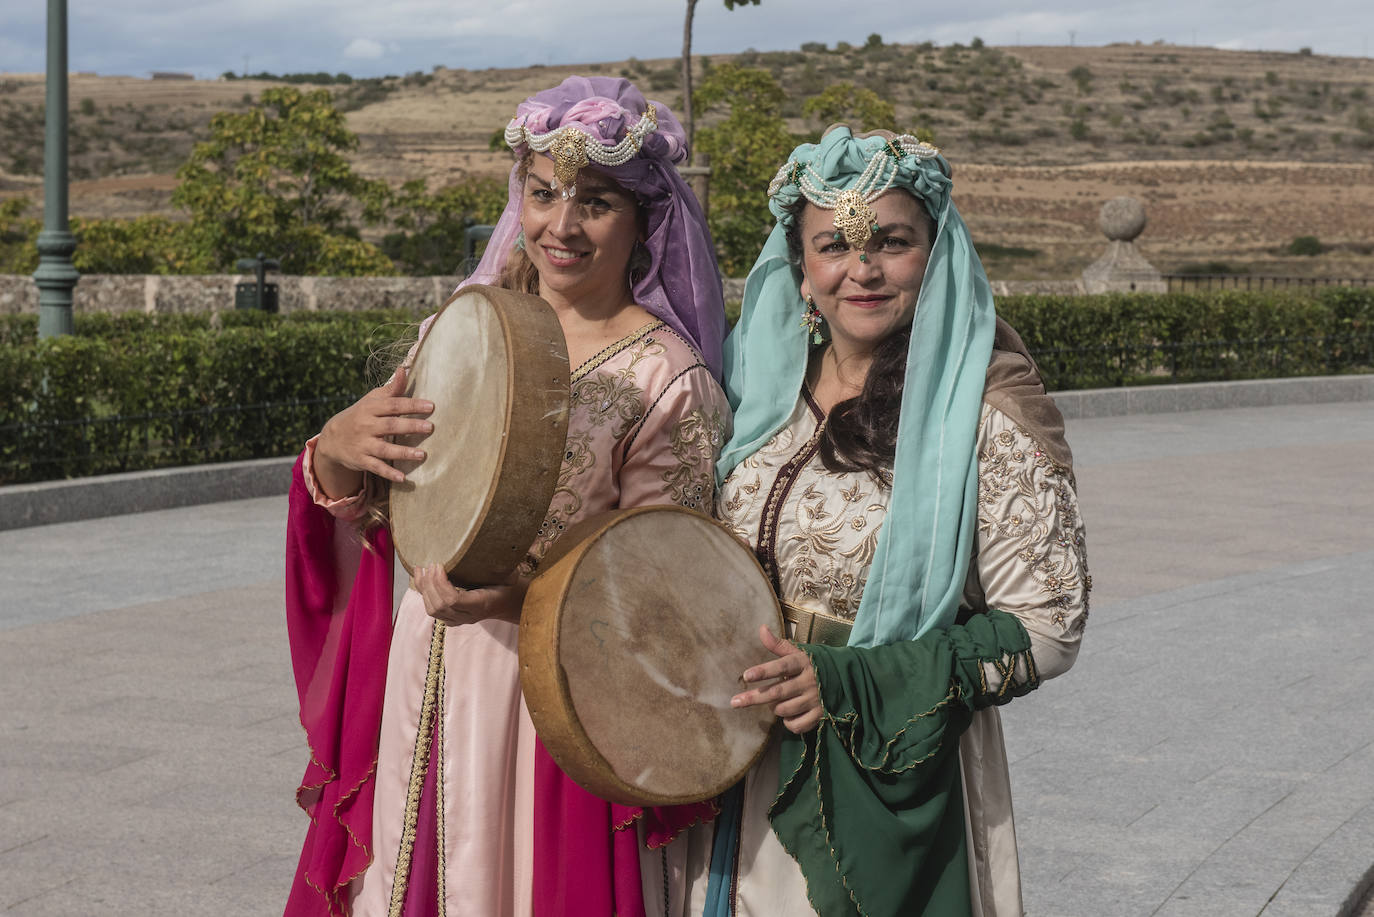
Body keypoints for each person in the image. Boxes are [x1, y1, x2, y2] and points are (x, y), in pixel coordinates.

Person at [282, 77, 730, 917]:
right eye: (544, 192)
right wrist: (337, 451)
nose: (562, 224)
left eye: (595, 202)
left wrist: (520, 595)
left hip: (552, 698)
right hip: (423, 670)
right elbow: (383, 509)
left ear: (643, 222)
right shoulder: (463, 325)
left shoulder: (666, 378)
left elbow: (669, 589)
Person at [690, 126, 1090, 916]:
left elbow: (1049, 626)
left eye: (892, 242)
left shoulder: (984, 408)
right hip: (736, 766)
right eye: (833, 244)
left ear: (935, 255)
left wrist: (847, 682)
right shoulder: (753, 393)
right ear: (800, 270)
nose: (862, 269)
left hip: (893, 764)